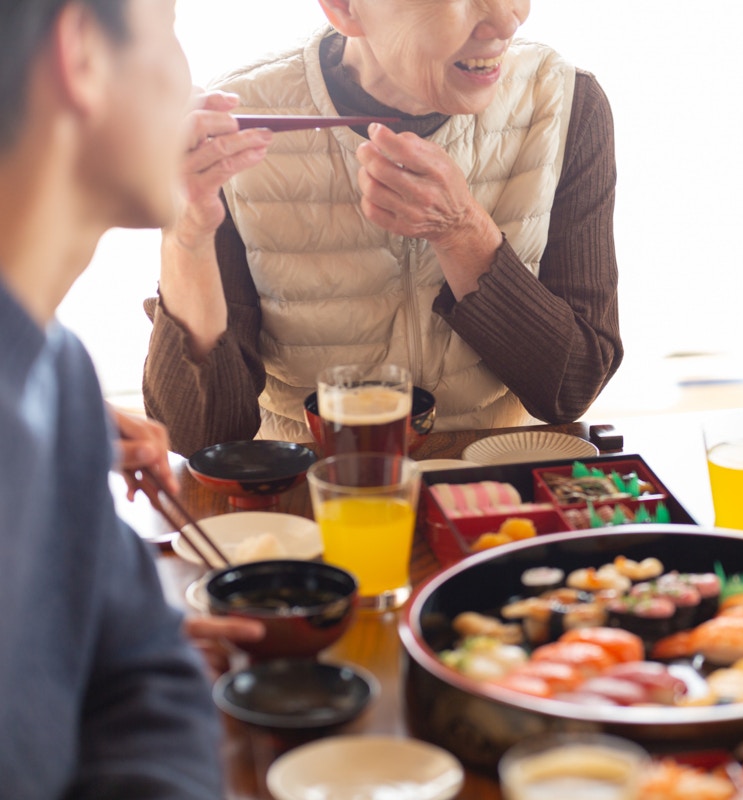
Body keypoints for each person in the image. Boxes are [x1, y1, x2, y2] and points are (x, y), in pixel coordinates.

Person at [143, 0, 622, 456]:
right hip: (309, 499)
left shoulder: (562, 104)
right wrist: (185, 232)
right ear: (344, 8)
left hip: (497, 494)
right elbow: (201, 439)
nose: (508, 17)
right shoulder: (236, 130)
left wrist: (464, 232)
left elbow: (572, 387)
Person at [0, 0, 224, 794]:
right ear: (84, 53)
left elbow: (145, 670)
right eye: (168, 31)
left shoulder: (57, 373)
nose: (189, 81)